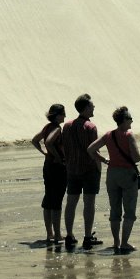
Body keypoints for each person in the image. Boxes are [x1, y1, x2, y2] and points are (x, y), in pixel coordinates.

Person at [88, 106, 140, 254]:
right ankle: (124, 242)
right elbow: (137, 158)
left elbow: (91, 149)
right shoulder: (128, 135)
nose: (131, 121)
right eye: (130, 118)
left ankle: (116, 242)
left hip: (112, 174)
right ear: (124, 120)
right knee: (129, 210)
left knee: (115, 210)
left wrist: (105, 160)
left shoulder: (109, 135)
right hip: (127, 174)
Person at [60, 93, 103, 250]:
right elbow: (93, 150)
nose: (93, 108)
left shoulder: (67, 125)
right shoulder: (90, 127)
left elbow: (64, 146)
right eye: (91, 106)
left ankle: (69, 235)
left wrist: (69, 160)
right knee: (89, 203)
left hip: (72, 169)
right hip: (89, 169)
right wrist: (101, 165)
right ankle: (87, 236)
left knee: (71, 202)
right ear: (85, 108)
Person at [32, 104, 66, 246]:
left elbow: (35, 140)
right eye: (63, 114)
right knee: (57, 199)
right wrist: (57, 157)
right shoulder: (57, 128)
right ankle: (57, 235)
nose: (65, 116)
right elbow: (49, 142)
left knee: (48, 198)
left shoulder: (47, 127)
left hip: (47, 165)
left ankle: (49, 234)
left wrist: (45, 153)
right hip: (57, 167)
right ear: (58, 115)